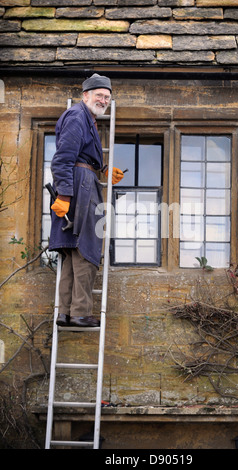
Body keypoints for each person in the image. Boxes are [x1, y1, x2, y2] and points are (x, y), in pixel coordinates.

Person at [48, 74, 123, 327]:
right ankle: (80, 312)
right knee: (85, 248)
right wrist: (65, 196)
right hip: (78, 186)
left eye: (107, 97)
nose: (103, 100)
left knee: (71, 252)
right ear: (85, 96)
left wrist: (103, 168)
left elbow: (82, 154)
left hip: (82, 180)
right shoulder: (78, 116)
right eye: (99, 95)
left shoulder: (86, 118)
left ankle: (65, 312)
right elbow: (62, 159)